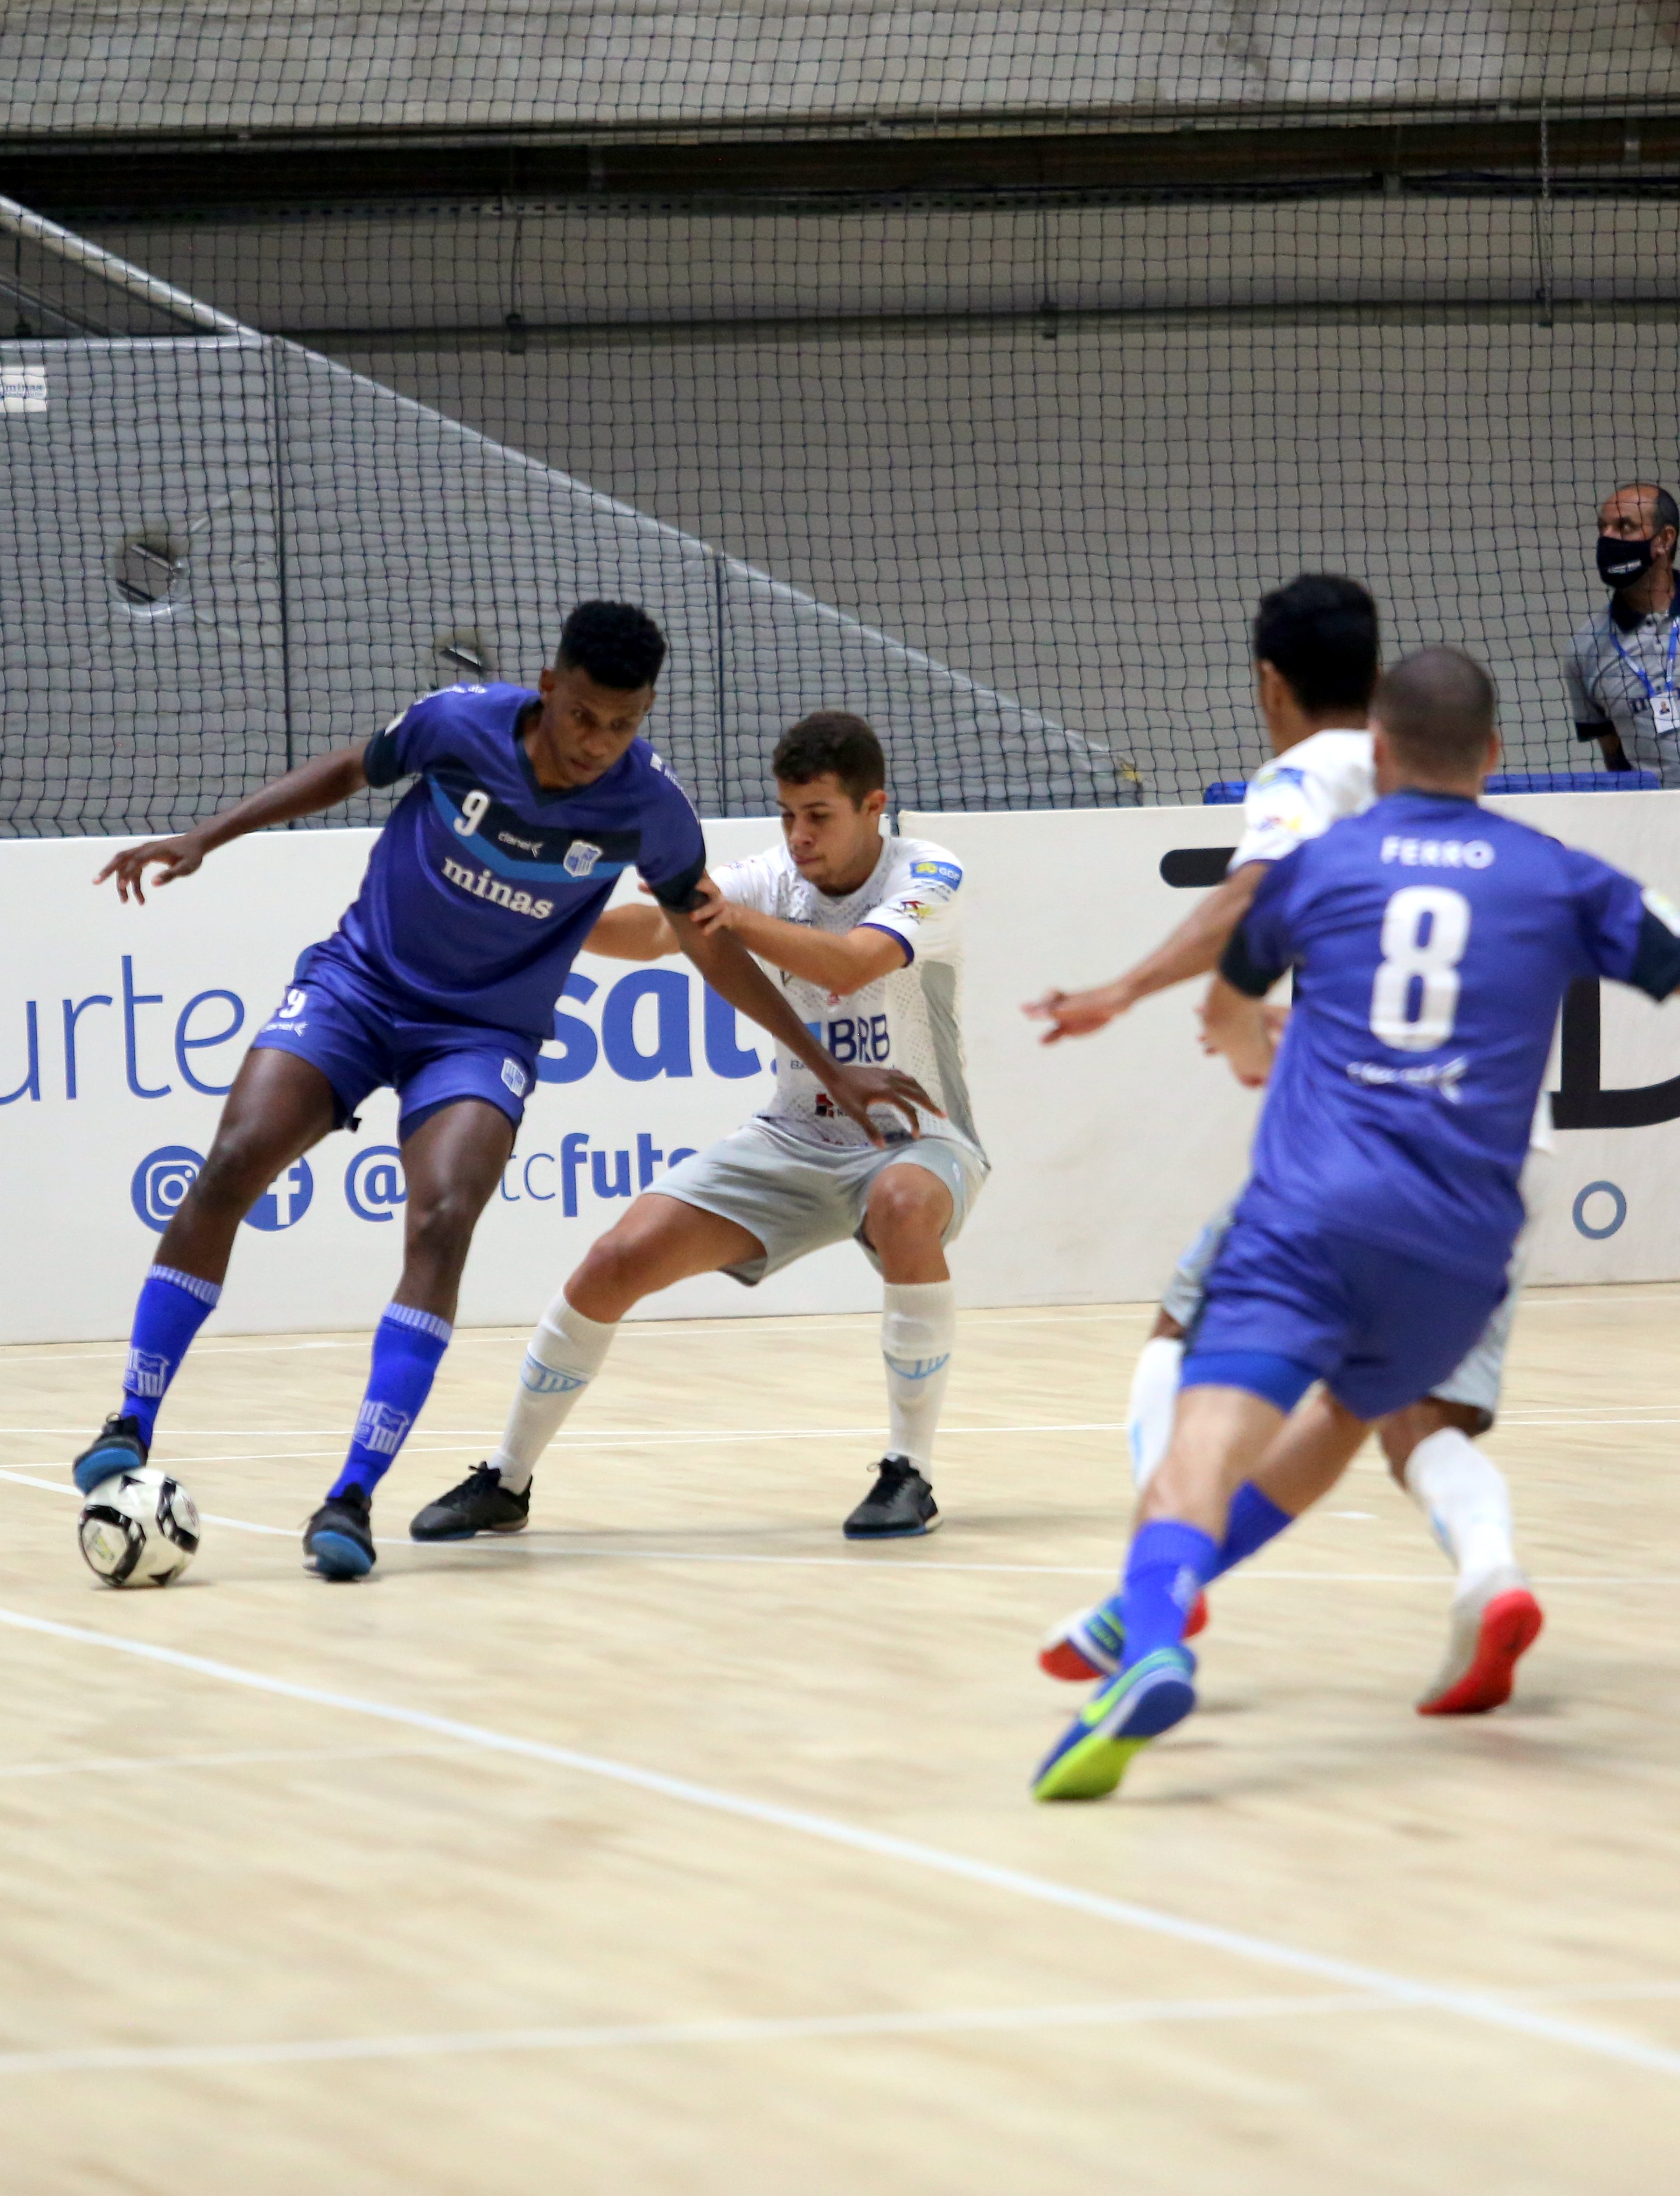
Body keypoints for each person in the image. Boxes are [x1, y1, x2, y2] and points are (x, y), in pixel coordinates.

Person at [72, 610, 929, 1580]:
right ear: (547, 685)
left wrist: (826, 1064)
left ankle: (351, 1497)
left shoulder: (650, 809)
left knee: (443, 1222)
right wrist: (207, 838)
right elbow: (352, 768)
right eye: (587, 716)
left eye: (625, 723)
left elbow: (707, 945)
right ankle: (130, 1421)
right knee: (231, 1163)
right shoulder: (460, 723)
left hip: (482, 1037)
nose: (602, 741)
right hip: (359, 987)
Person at [1028, 646, 1680, 1801]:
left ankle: (1159, 1629)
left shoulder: (1322, 867)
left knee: (1203, 1437)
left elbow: (1230, 1012)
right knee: (1350, 1412)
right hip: (1462, 1253)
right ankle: (1149, 1612)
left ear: (1377, 754)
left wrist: (1247, 1037)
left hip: (1314, 1214)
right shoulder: (1558, 874)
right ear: (1492, 755)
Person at [1029, 576, 1544, 1715]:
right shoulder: (1448, 792)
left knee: (1186, 1324)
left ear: (1268, 682)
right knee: (1405, 1409)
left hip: (1354, 1159)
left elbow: (1253, 894)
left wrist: (1127, 989)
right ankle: (1493, 1571)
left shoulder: (1309, 773)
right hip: (1488, 1156)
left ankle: (1160, 1589)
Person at [407, 709, 986, 1545]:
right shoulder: (770, 877)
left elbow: (854, 960)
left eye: (818, 816)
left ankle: (911, 1472)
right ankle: (508, 1476)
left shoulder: (929, 874)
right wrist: (528, 914)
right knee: (615, 1258)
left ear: (873, 806)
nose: (798, 836)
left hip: (918, 1139)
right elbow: (651, 932)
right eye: (787, 815)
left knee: (900, 1203)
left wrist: (718, 914)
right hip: (791, 1138)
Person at [1567, 481, 1680, 782]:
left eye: (1624, 527)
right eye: (1603, 528)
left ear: (1664, 540)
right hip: (1653, 824)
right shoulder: (1586, 646)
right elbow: (1613, 756)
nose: (1608, 538)